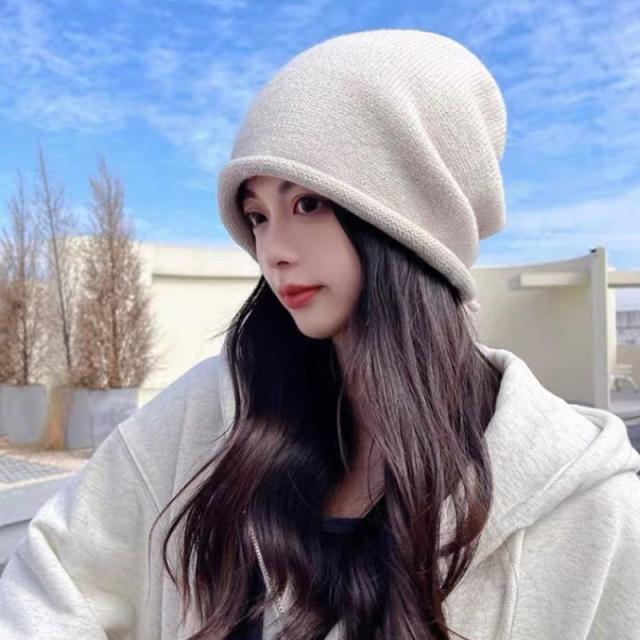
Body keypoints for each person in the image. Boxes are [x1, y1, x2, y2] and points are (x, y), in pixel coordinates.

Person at [1, 28, 639, 640]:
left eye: (307, 203)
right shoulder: (206, 418)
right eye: (257, 215)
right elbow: (50, 587)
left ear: (410, 219)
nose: (272, 250)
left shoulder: (583, 501)